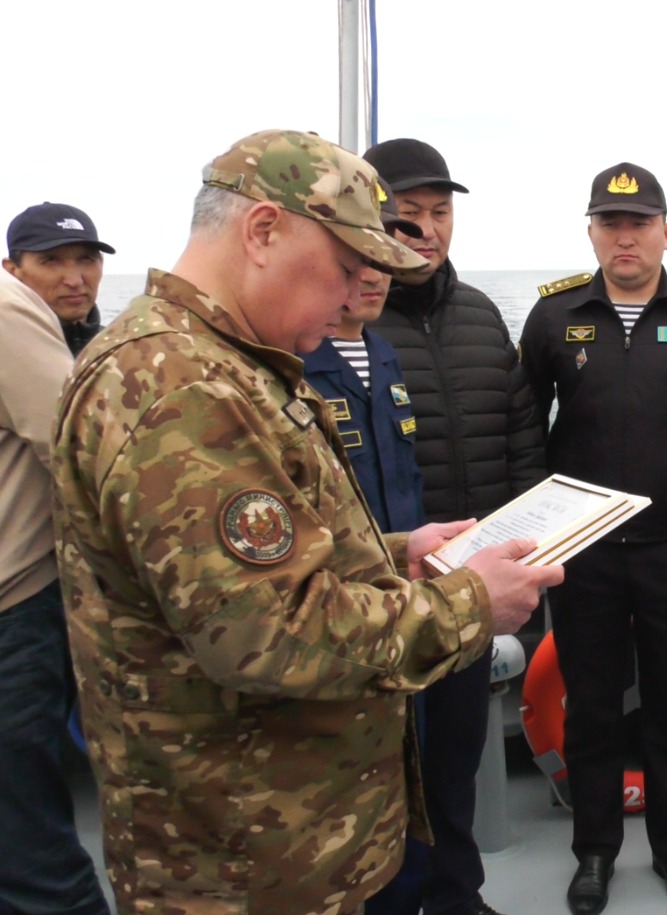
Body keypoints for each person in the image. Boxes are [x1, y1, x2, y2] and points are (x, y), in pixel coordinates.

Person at [51, 128, 563, 913]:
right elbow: (268, 633)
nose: (352, 295)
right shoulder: (181, 388)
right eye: (345, 269)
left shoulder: (223, 361)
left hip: (287, 841)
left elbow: (258, 563)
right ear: (262, 231)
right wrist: (468, 603)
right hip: (239, 864)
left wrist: (396, 554)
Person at [520, 162, 667, 914]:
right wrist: (532, 538)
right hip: (582, 553)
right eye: (610, 224)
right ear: (592, 233)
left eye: (639, 224)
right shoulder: (553, 316)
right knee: (592, 708)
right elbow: (524, 435)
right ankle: (594, 852)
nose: (624, 238)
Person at [363, 136, 546, 915]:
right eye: (409, 213)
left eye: (440, 213)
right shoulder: (347, 322)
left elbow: (520, 435)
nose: (428, 229)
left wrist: (530, 551)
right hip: (389, 595)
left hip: (475, 585)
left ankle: (457, 896)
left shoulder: (479, 313)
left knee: (455, 758)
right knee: (383, 772)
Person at [301, 177, 432, 913]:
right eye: (362, 257)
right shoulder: (297, 361)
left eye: (385, 261)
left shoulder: (383, 356)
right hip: (341, 616)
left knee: (412, 779)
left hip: (402, 599)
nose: (375, 275)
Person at [1, 269, 111, 914]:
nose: (76, 277)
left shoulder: (6, 314)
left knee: (24, 850)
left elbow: (81, 455)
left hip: (12, 609)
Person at [4, 201, 115, 355]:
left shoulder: (126, 353)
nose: (74, 281)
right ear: (12, 271)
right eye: (51, 261)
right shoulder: (8, 356)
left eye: (86, 259)